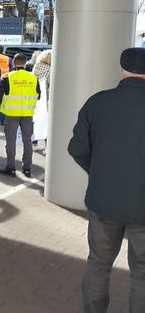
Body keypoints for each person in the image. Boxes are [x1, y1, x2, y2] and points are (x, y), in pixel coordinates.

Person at [68, 47, 145, 313]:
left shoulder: (97, 102)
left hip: (104, 201)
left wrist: (99, 172)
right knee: (143, 273)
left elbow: (77, 149)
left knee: (99, 264)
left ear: (121, 70)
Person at [0, 53, 40, 177]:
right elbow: (39, 95)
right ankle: (27, 168)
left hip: (11, 114)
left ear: (14, 62)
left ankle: (11, 167)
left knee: (11, 141)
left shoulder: (7, 77)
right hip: (27, 113)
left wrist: (0, 102)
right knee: (27, 140)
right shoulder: (33, 77)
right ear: (25, 63)